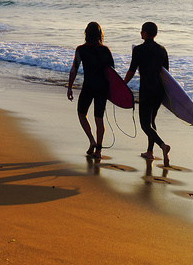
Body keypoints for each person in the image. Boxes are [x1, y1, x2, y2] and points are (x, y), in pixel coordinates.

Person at [123, 22, 170, 165]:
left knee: (145, 124)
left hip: (147, 89)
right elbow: (167, 74)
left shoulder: (138, 50)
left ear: (145, 33)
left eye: (141, 31)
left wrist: (122, 84)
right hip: (159, 89)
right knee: (152, 121)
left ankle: (163, 145)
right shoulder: (162, 50)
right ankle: (150, 152)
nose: (140, 33)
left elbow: (131, 71)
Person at [66, 21, 114, 160]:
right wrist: (113, 93)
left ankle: (92, 140)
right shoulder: (106, 50)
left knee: (81, 114)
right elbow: (112, 73)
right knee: (99, 119)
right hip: (102, 88)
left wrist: (70, 87)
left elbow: (74, 69)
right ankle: (98, 151)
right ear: (100, 34)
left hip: (88, 86)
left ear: (86, 33)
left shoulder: (81, 49)